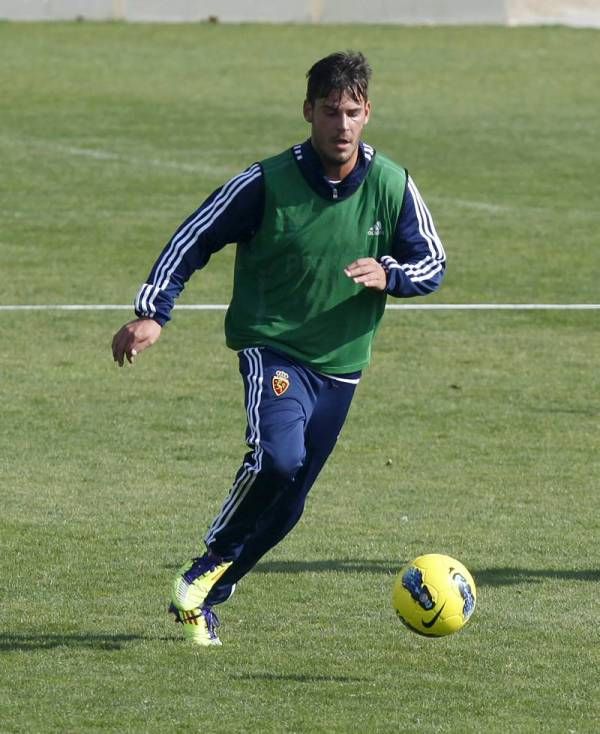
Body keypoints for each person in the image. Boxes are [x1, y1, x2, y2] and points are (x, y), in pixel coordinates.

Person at [111, 51, 446, 646]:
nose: (341, 126)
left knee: (290, 503)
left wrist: (391, 274)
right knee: (277, 459)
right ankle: (205, 564)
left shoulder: (393, 184)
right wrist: (152, 313)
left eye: (352, 112)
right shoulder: (268, 181)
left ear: (368, 113)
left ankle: (207, 594)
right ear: (308, 113)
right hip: (274, 349)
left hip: (342, 368)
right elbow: (194, 236)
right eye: (329, 112)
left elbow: (433, 262)